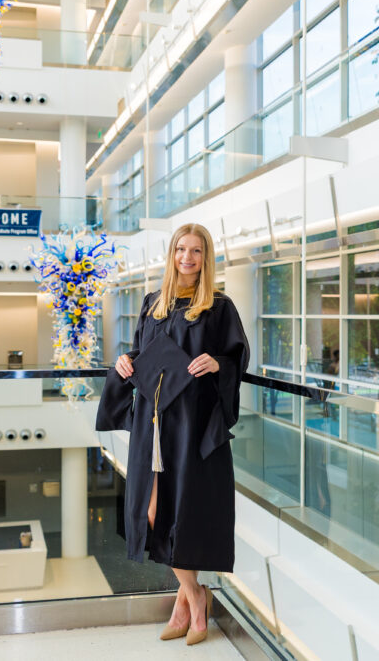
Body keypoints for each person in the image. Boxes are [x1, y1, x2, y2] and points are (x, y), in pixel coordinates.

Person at [96, 223, 249, 645]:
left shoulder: (219, 307)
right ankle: (194, 596)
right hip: (153, 423)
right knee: (149, 513)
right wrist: (125, 363)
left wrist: (218, 364)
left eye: (196, 251)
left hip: (191, 424)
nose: (187, 258)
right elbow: (143, 355)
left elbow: (236, 359)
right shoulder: (152, 304)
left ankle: (188, 604)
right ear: (171, 255)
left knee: (185, 511)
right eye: (180, 249)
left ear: (206, 257)